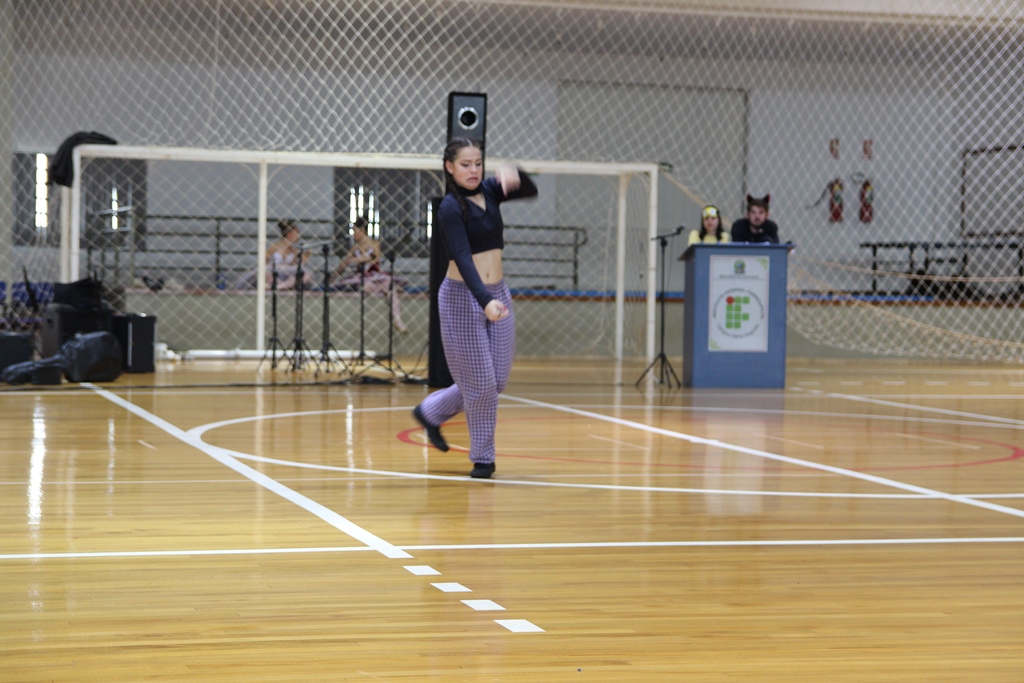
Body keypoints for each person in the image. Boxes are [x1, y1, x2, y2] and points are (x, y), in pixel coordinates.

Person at [411, 137, 537, 479]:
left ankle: (430, 412)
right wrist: (484, 301)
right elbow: (462, 257)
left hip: (498, 293)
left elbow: (529, 190)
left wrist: (516, 174)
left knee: (496, 380)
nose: (473, 170)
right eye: (465, 164)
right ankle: (483, 459)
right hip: (462, 299)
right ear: (450, 167)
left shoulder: (492, 190)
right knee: (481, 386)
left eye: (478, 163)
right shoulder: (450, 208)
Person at [333, 217, 408, 333]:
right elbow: (344, 264)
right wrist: (333, 277)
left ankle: (397, 320)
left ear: (362, 230)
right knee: (367, 286)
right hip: (362, 277)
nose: (353, 234)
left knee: (388, 283)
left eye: (355, 231)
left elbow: (375, 258)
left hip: (375, 274)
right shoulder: (355, 248)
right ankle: (384, 292)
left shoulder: (375, 244)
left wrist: (356, 259)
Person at [266, 219, 313, 290]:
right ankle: (277, 285)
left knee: (308, 274)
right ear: (289, 233)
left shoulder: (294, 250)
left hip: (286, 275)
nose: (299, 236)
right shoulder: (275, 246)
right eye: (297, 232)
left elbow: (295, 265)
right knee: (264, 271)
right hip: (273, 272)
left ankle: (281, 286)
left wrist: (305, 257)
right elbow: (264, 260)